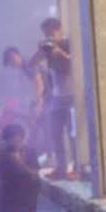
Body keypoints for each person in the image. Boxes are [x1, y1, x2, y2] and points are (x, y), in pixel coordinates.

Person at [30, 18, 76, 180]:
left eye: (51, 32)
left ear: (59, 30)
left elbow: (74, 63)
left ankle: (76, 167)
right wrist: (40, 51)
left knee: (73, 134)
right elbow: (32, 63)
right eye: (46, 33)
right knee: (55, 134)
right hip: (57, 97)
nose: (49, 35)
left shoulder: (69, 43)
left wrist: (59, 52)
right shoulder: (47, 48)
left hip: (72, 96)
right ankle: (61, 168)